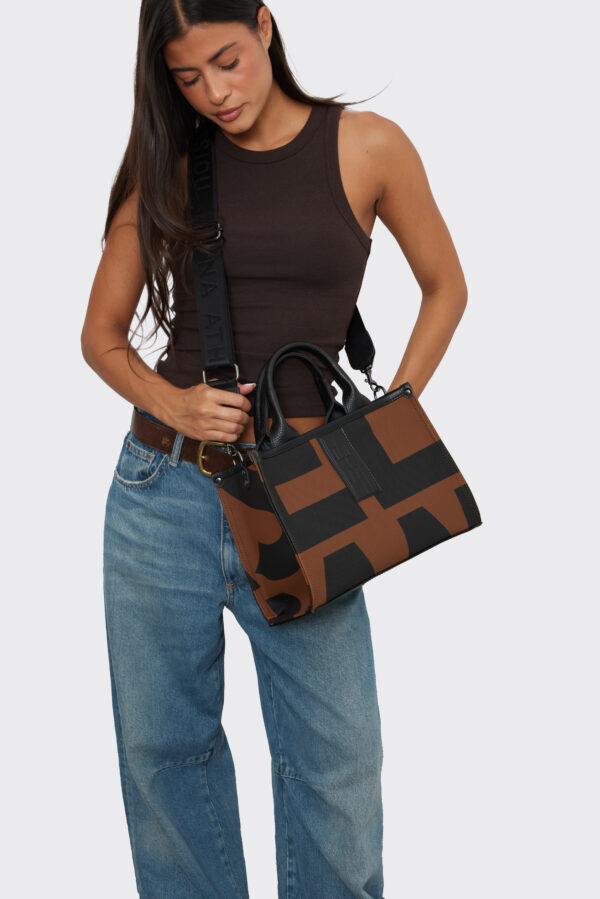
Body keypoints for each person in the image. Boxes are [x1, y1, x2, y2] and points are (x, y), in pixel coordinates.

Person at [81, 2, 468, 896]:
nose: (214, 92)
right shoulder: (170, 165)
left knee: (338, 764)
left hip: (307, 499)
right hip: (162, 494)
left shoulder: (367, 146)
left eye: (226, 60)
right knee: (165, 756)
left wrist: (391, 415)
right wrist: (174, 400)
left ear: (263, 26)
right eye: (187, 78)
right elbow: (100, 335)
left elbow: (445, 285)